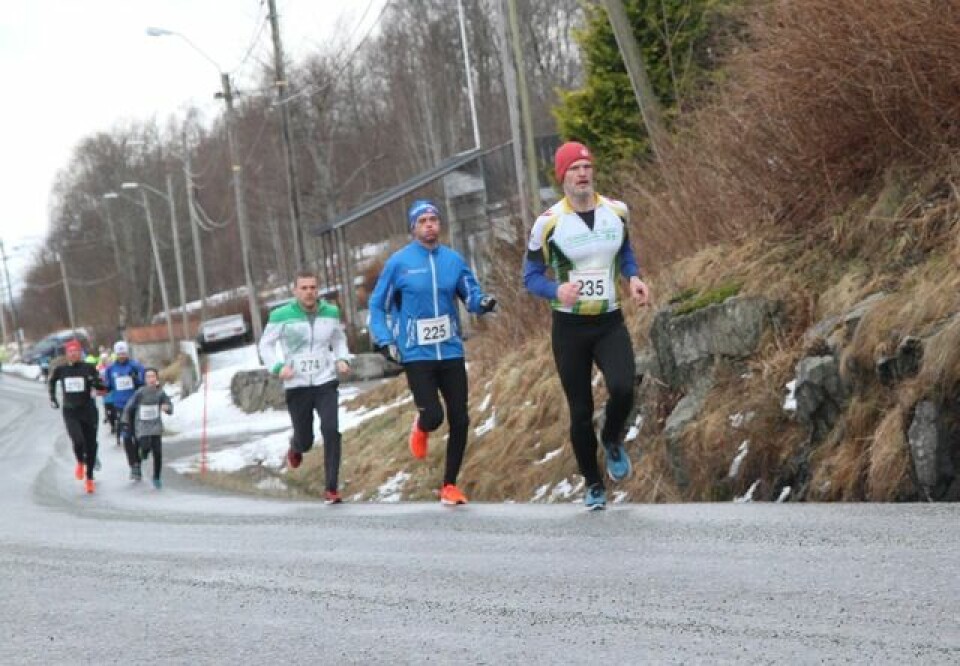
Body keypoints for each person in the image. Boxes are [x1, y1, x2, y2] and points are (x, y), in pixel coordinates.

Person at [523, 141, 651, 511]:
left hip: (609, 321)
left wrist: (634, 277)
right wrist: (555, 289)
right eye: (574, 169)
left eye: (586, 167)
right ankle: (593, 484)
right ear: (563, 177)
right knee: (579, 411)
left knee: (624, 387)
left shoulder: (617, 211)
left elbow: (624, 250)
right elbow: (530, 277)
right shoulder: (548, 224)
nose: (582, 174)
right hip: (570, 329)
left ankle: (611, 438)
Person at [368, 199, 497, 506]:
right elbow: (377, 305)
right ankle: (422, 424)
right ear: (413, 227)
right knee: (435, 415)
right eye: (423, 220)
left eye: (434, 219)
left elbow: (471, 295)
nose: (430, 224)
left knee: (461, 419)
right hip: (416, 354)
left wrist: (483, 303)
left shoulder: (453, 260)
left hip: (450, 350)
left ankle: (449, 485)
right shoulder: (398, 264)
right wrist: (386, 339)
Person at [258, 270, 352, 505]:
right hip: (297, 384)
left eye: (313, 287)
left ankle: (331, 488)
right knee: (306, 440)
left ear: (317, 290)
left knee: (331, 429)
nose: (309, 292)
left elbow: (338, 339)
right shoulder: (281, 315)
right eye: (304, 288)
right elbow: (266, 346)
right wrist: (278, 367)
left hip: (325, 380)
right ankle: (295, 446)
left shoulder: (330, 311)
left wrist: (342, 359)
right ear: (295, 291)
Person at [48, 339, 106, 494]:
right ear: (67, 354)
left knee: (91, 444)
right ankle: (80, 461)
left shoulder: (89, 368)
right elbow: (52, 382)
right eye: (70, 352)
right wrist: (53, 398)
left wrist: (95, 382)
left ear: (80, 353)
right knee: (78, 439)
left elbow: (102, 387)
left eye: (76, 351)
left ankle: (89, 478)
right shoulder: (61, 369)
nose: (73, 354)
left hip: (88, 410)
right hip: (70, 410)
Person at [121, 367, 173, 490]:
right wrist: (125, 421)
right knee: (145, 447)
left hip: (155, 426)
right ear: (144, 379)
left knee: (158, 452)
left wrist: (167, 408)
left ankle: (156, 477)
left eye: (153, 376)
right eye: (148, 377)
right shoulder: (140, 392)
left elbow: (169, 405)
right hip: (142, 426)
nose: (151, 379)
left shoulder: (160, 392)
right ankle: (142, 453)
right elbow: (129, 407)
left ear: (156, 379)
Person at [105, 341, 145, 479]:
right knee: (127, 437)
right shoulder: (111, 369)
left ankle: (139, 461)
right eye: (119, 353)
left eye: (124, 353)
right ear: (115, 354)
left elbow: (143, 383)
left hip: (136, 405)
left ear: (127, 353)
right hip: (121, 406)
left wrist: (136, 380)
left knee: (139, 436)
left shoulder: (136, 366)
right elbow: (108, 387)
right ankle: (133, 466)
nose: (122, 356)